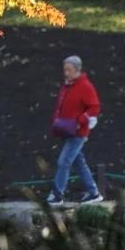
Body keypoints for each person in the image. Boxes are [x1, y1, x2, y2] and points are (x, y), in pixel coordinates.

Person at [47, 55, 103, 205]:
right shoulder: (68, 85)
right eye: (65, 70)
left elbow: (95, 107)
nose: (66, 73)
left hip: (78, 132)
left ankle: (57, 194)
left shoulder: (85, 86)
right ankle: (93, 192)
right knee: (79, 163)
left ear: (77, 70)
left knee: (64, 161)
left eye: (69, 70)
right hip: (67, 130)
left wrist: (81, 120)